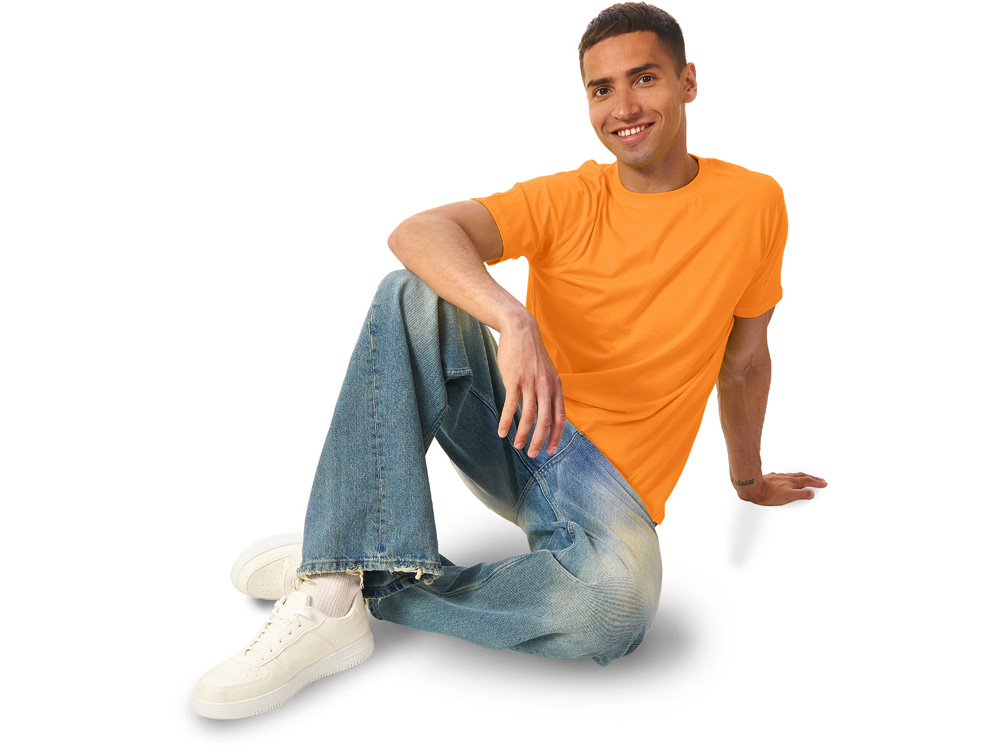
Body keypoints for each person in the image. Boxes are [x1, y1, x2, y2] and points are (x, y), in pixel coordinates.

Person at [191, 2, 827, 720]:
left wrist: (748, 479)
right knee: (413, 294)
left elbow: (744, 360)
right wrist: (512, 319)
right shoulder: (571, 198)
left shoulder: (756, 202)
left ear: (688, 82)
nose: (623, 107)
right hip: (523, 429)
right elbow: (418, 232)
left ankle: (360, 571)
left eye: (644, 78)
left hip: (611, 494)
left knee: (615, 612)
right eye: (601, 89)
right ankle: (330, 592)